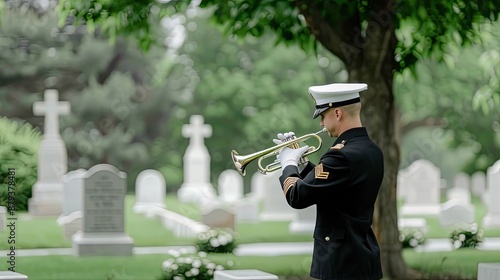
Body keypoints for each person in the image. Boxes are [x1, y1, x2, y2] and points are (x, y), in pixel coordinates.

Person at [274, 83, 384, 280]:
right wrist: (301, 164)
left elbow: (296, 196)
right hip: (362, 256)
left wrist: (288, 163)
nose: (321, 124)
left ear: (338, 113)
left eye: (323, 116)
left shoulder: (341, 155)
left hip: (342, 262)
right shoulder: (370, 149)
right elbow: (333, 186)